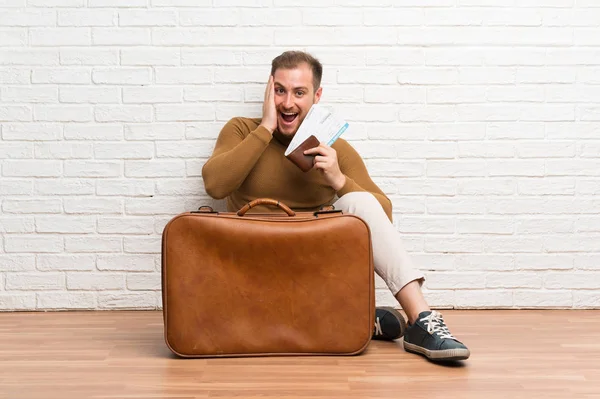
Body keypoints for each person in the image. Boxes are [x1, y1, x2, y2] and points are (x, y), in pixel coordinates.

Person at [201, 50, 470, 362]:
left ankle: (421, 320)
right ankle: (357, 320)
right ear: (268, 91)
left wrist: (338, 180)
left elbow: (381, 214)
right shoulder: (242, 131)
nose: (288, 103)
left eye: (299, 93)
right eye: (280, 91)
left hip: (311, 273)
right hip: (251, 270)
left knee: (359, 201)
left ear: (317, 96)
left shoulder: (332, 147)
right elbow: (215, 185)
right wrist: (265, 128)